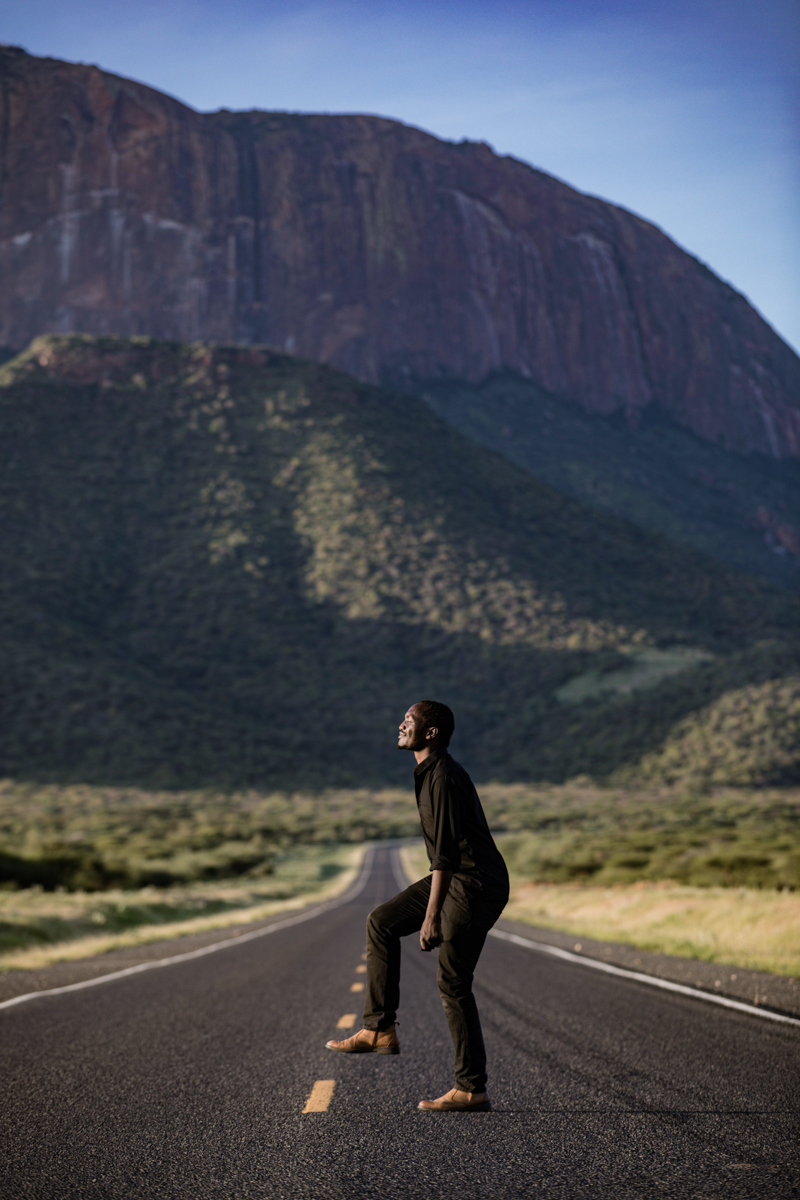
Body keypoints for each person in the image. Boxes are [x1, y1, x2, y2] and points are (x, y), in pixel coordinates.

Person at [326, 700, 509, 1112]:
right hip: (458, 875)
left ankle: (471, 1087)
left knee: (453, 978)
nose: (400, 725)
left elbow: (444, 854)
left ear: (431, 732)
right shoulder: (427, 771)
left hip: (477, 882)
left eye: (408, 721)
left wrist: (431, 917)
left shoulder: (443, 775)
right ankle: (379, 1029)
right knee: (382, 921)